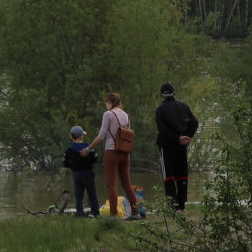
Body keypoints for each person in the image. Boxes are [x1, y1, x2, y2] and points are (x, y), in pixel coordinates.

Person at [84, 92, 142, 220]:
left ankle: (114, 214)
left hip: (112, 152)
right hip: (125, 153)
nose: (106, 106)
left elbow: (101, 136)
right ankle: (135, 213)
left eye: (106, 103)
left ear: (109, 102)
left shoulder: (108, 114)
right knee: (127, 183)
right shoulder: (126, 115)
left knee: (111, 184)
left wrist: (88, 149)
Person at [154, 82, 199, 212]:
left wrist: (176, 138)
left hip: (167, 146)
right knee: (182, 175)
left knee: (168, 176)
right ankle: (182, 205)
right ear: (174, 93)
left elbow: (162, 129)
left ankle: (173, 207)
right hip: (182, 146)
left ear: (161, 95)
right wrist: (188, 137)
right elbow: (194, 122)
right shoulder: (184, 106)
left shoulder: (160, 109)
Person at [63, 126, 100, 218]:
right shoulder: (88, 147)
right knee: (92, 194)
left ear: (72, 137)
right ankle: (95, 213)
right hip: (88, 173)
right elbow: (95, 159)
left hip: (76, 175)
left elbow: (65, 163)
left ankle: (80, 214)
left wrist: (73, 167)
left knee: (78, 196)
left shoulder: (69, 150)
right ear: (81, 136)